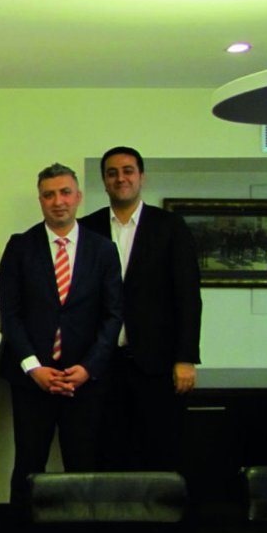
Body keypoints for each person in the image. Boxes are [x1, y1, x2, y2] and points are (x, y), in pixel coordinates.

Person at [0, 164, 122, 504]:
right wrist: (33, 368)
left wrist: (88, 368)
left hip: (83, 381)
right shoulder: (20, 246)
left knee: (82, 466)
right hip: (32, 381)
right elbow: (9, 313)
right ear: (40, 200)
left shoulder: (103, 249)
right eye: (49, 195)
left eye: (65, 192)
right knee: (28, 465)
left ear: (78, 196)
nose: (58, 201)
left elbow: (113, 315)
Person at [81, 146, 202, 471]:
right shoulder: (87, 228)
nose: (120, 178)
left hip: (157, 363)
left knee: (158, 452)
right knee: (106, 454)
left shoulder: (170, 226)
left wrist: (185, 357)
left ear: (141, 177)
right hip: (101, 364)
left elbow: (188, 296)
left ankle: (157, 508)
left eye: (128, 171)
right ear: (104, 181)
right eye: (112, 173)